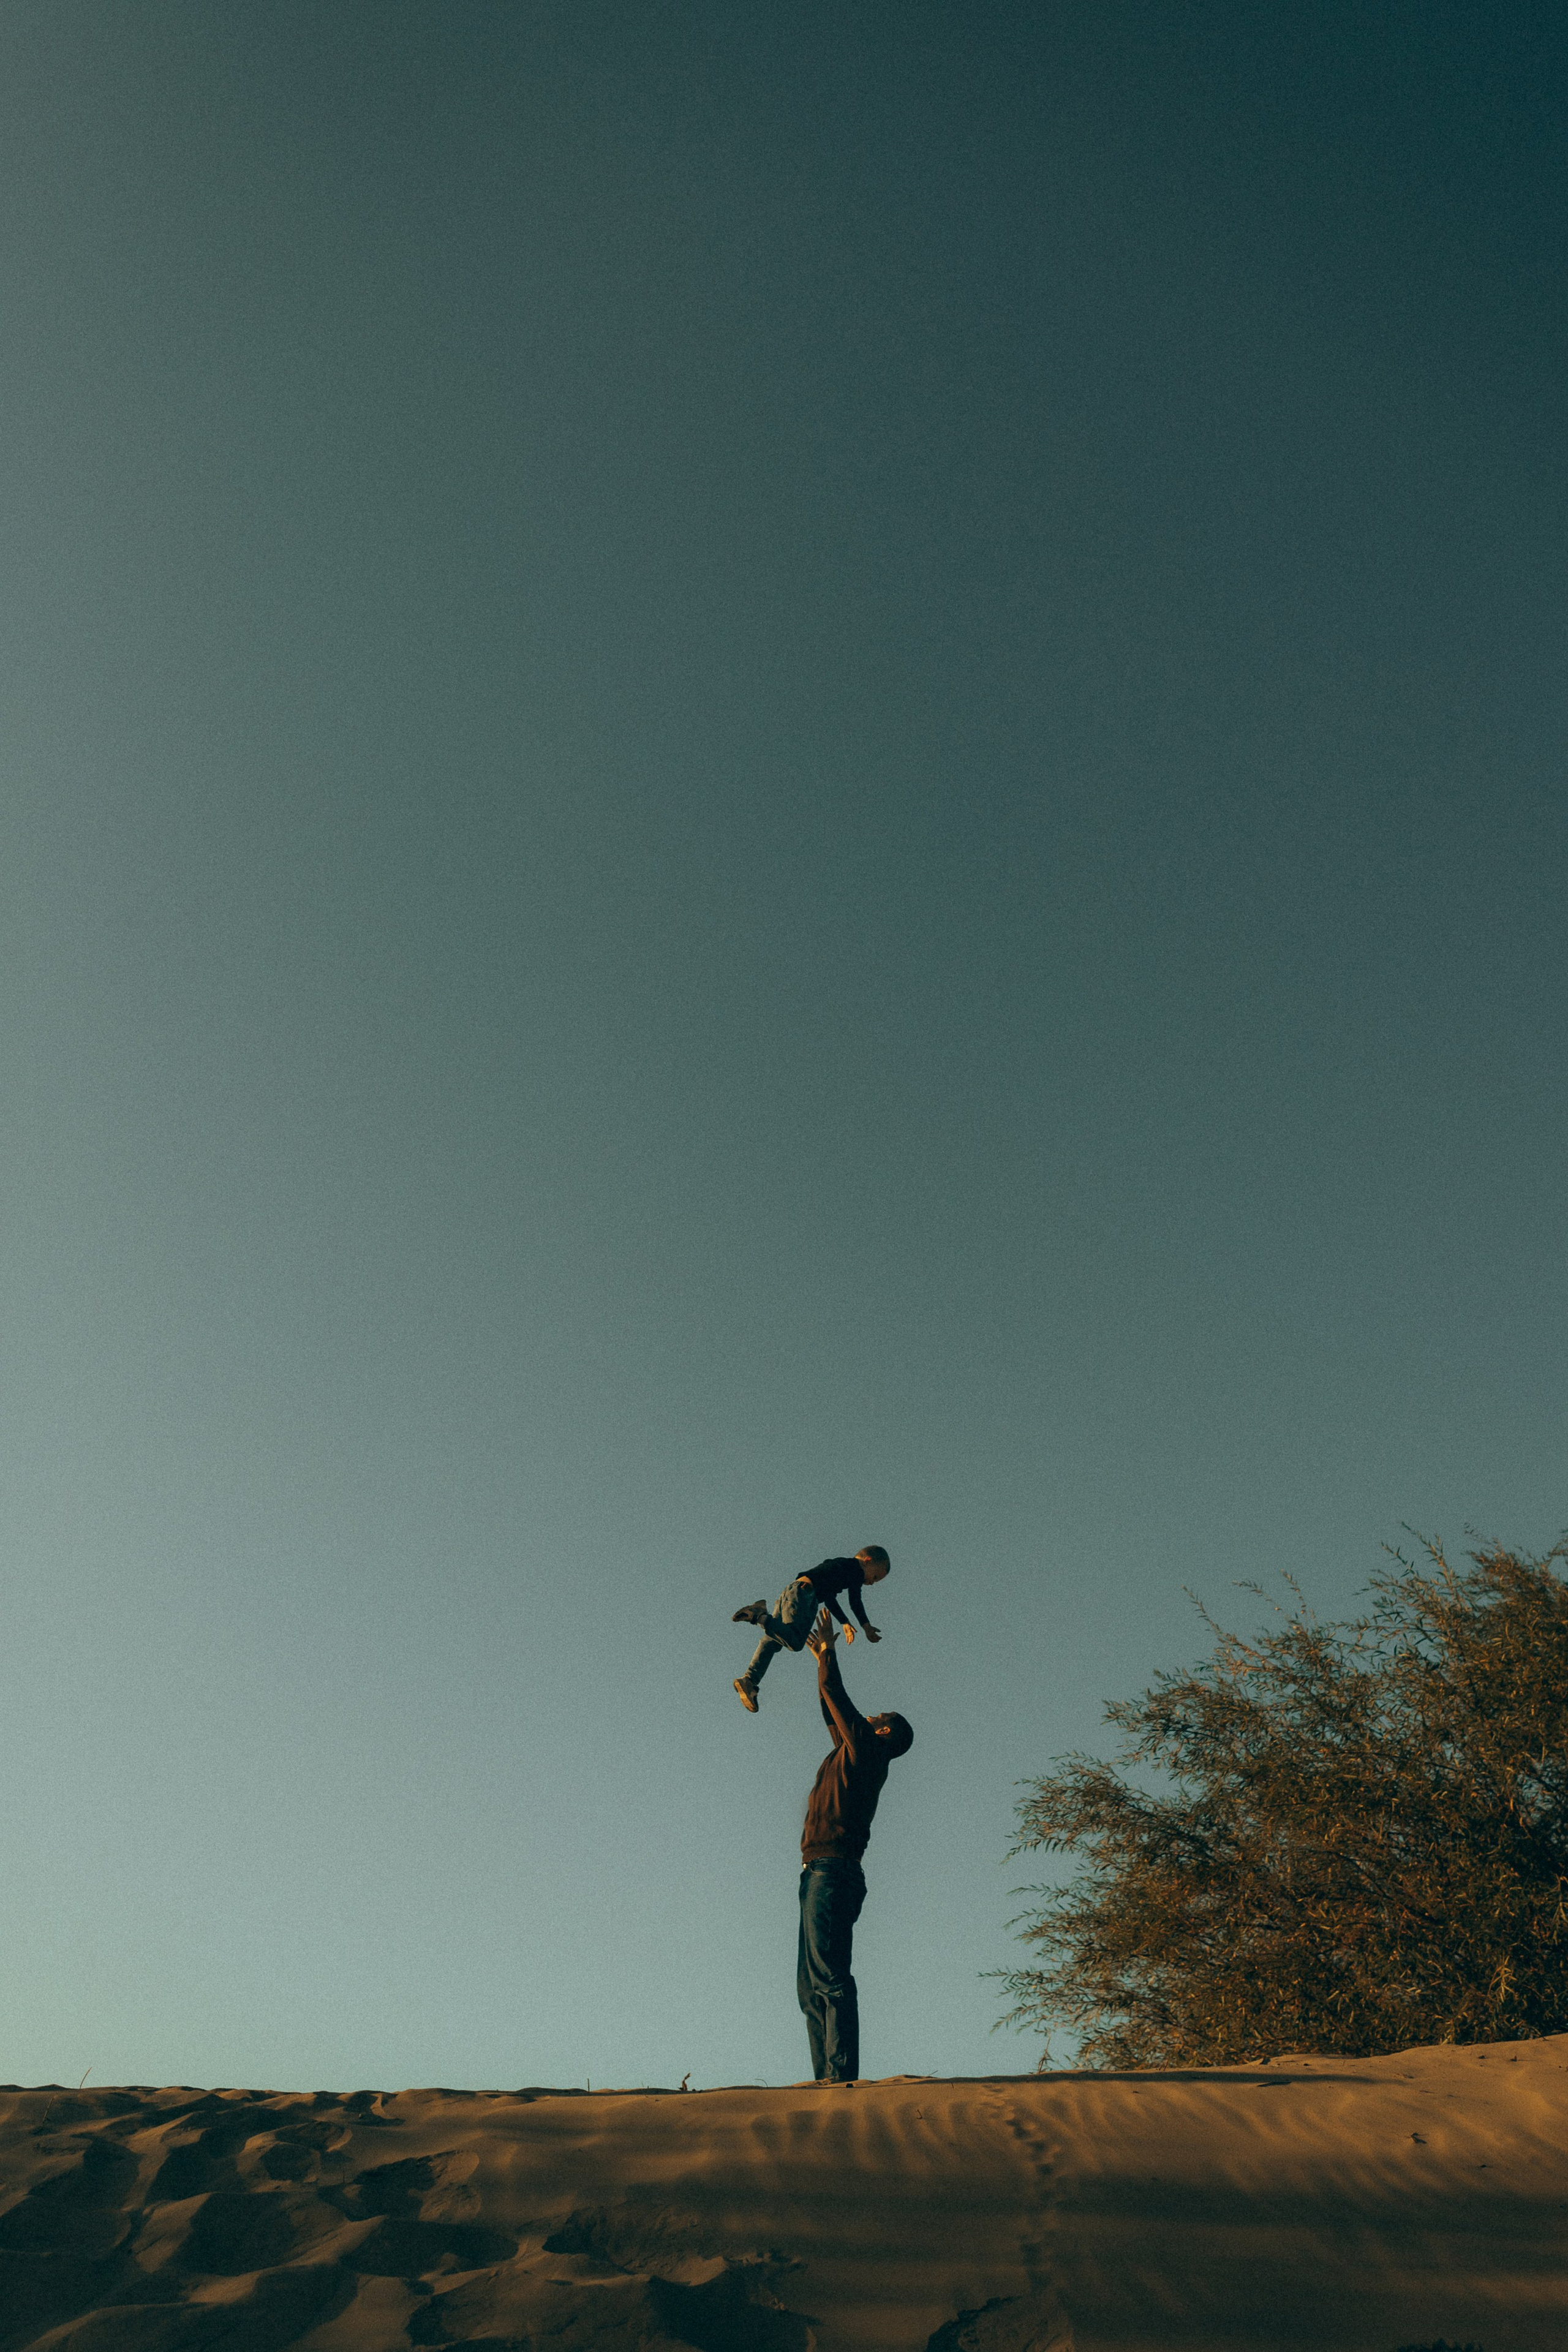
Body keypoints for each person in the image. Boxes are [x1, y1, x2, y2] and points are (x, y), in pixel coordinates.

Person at [794, 1607, 913, 2085]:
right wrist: (820, 1662)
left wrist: (828, 1651)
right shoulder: (853, 1749)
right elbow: (831, 1708)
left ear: (883, 1731)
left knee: (831, 1980)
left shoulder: (868, 1750)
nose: (870, 1715)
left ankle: (841, 2083)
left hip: (832, 1872)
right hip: (817, 1872)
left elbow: (837, 1696)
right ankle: (825, 2080)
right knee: (810, 1989)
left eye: (877, 1717)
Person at [731, 1547, 890, 1713]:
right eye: (875, 1577)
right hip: (805, 1595)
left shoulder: (840, 1567)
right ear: (867, 1561)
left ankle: (749, 1680)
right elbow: (855, 1600)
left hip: (793, 1591)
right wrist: (865, 1626)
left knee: (773, 1639)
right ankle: (759, 1616)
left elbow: (829, 1598)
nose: (871, 1583)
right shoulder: (856, 1569)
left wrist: (845, 1622)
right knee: (795, 1642)